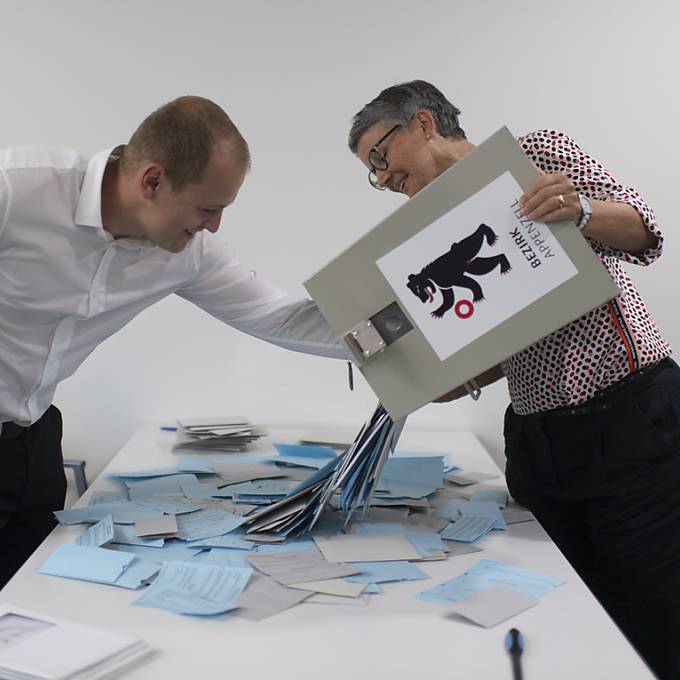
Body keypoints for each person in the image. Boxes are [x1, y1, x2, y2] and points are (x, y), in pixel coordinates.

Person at [348, 80, 679, 680]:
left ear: (423, 124)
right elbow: (480, 364)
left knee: (658, 618)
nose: (383, 180)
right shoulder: (428, 236)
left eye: (380, 158)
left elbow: (646, 233)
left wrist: (580, 210)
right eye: (371, 175)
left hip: (634, 426)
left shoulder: (536, 155)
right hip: (537, 445)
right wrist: (404, 368)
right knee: (565, 617)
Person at [0, 95, 343, 589]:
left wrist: (416, 341)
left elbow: (280, 317)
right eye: (209, 208)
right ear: (153, 181)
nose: (214, 225)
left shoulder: (188, 254)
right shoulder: (19, 188)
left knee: (31, 607)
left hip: (33, 449)